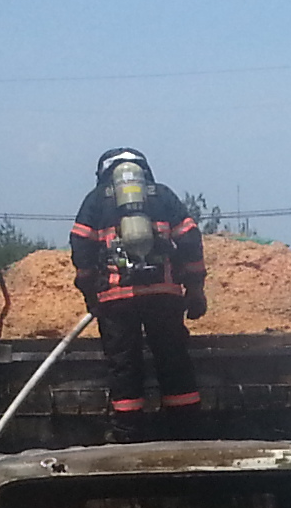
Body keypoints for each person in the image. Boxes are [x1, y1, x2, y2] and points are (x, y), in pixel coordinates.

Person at [68, 147, 210, 443]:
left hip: (116, 297)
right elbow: (189, 238)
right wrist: (195, 288)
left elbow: (81, 244)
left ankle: (128, 431)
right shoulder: (163, 195)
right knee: (173, 359)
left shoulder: (96, 200)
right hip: (164, 294)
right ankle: (187, 430)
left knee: (124, 364)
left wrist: (90, 292)